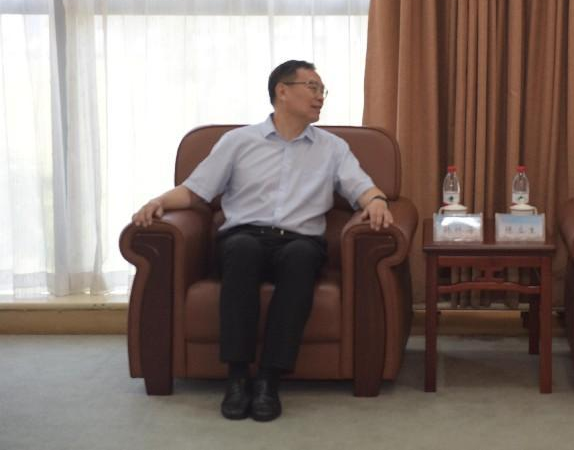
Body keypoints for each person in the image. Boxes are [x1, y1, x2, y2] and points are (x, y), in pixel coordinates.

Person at [131, 60, 393, 422]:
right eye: (312, 87)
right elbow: (196, 191)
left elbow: (361, 186)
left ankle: (269, 379)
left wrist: (377, 201)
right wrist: (158, 201)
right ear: (282, 91)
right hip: (243, 236)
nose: (320, 97)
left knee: (301, 257)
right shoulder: (238, 142)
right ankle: (238, 378)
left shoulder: (332, 148)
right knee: (243, 250)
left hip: (300, 241)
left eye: (322, 90)